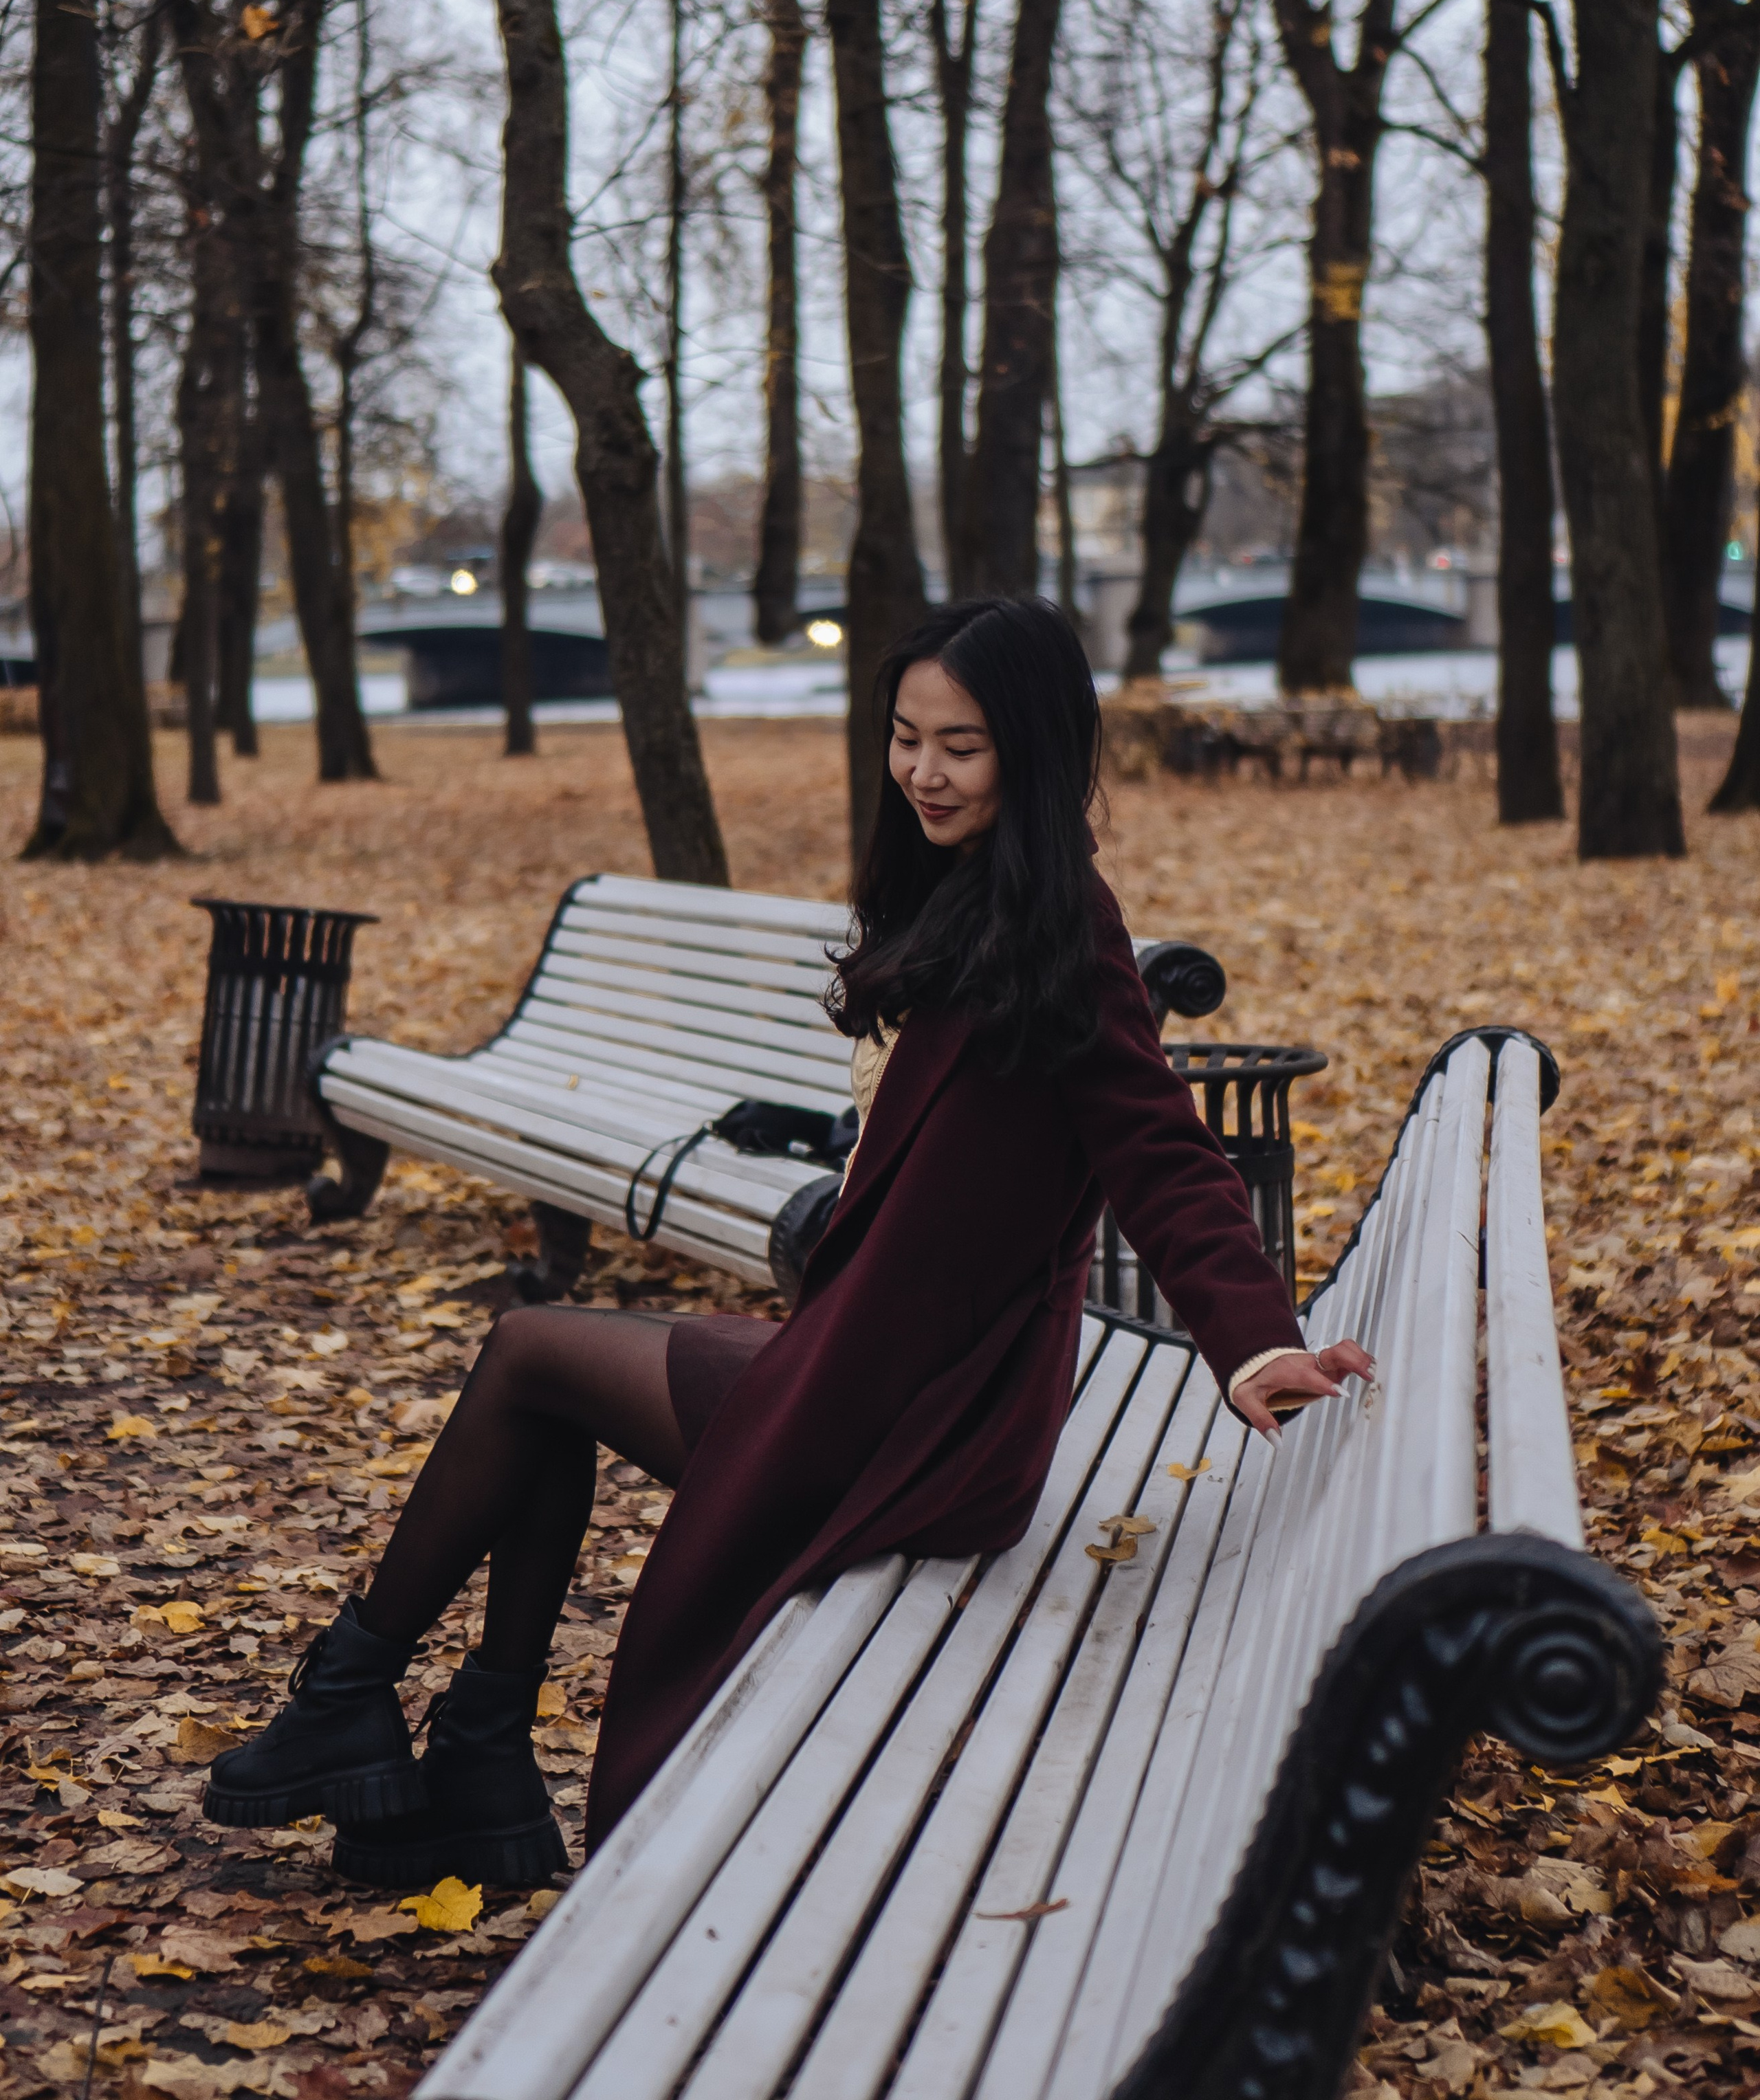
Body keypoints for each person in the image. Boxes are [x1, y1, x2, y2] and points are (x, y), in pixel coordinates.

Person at [201, 596, 1372, 1887]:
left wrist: (1255, 1339)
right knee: (538, 1374)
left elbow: (1162, 1150)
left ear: (1033, 752)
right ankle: (469, 1748)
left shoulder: (1062, 932)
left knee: (530, 1355)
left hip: (916, 1419)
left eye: (962, 747)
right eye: (906, 736)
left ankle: (360, 1700)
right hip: (872, 1363)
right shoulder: (963, 894)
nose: (924, 770)